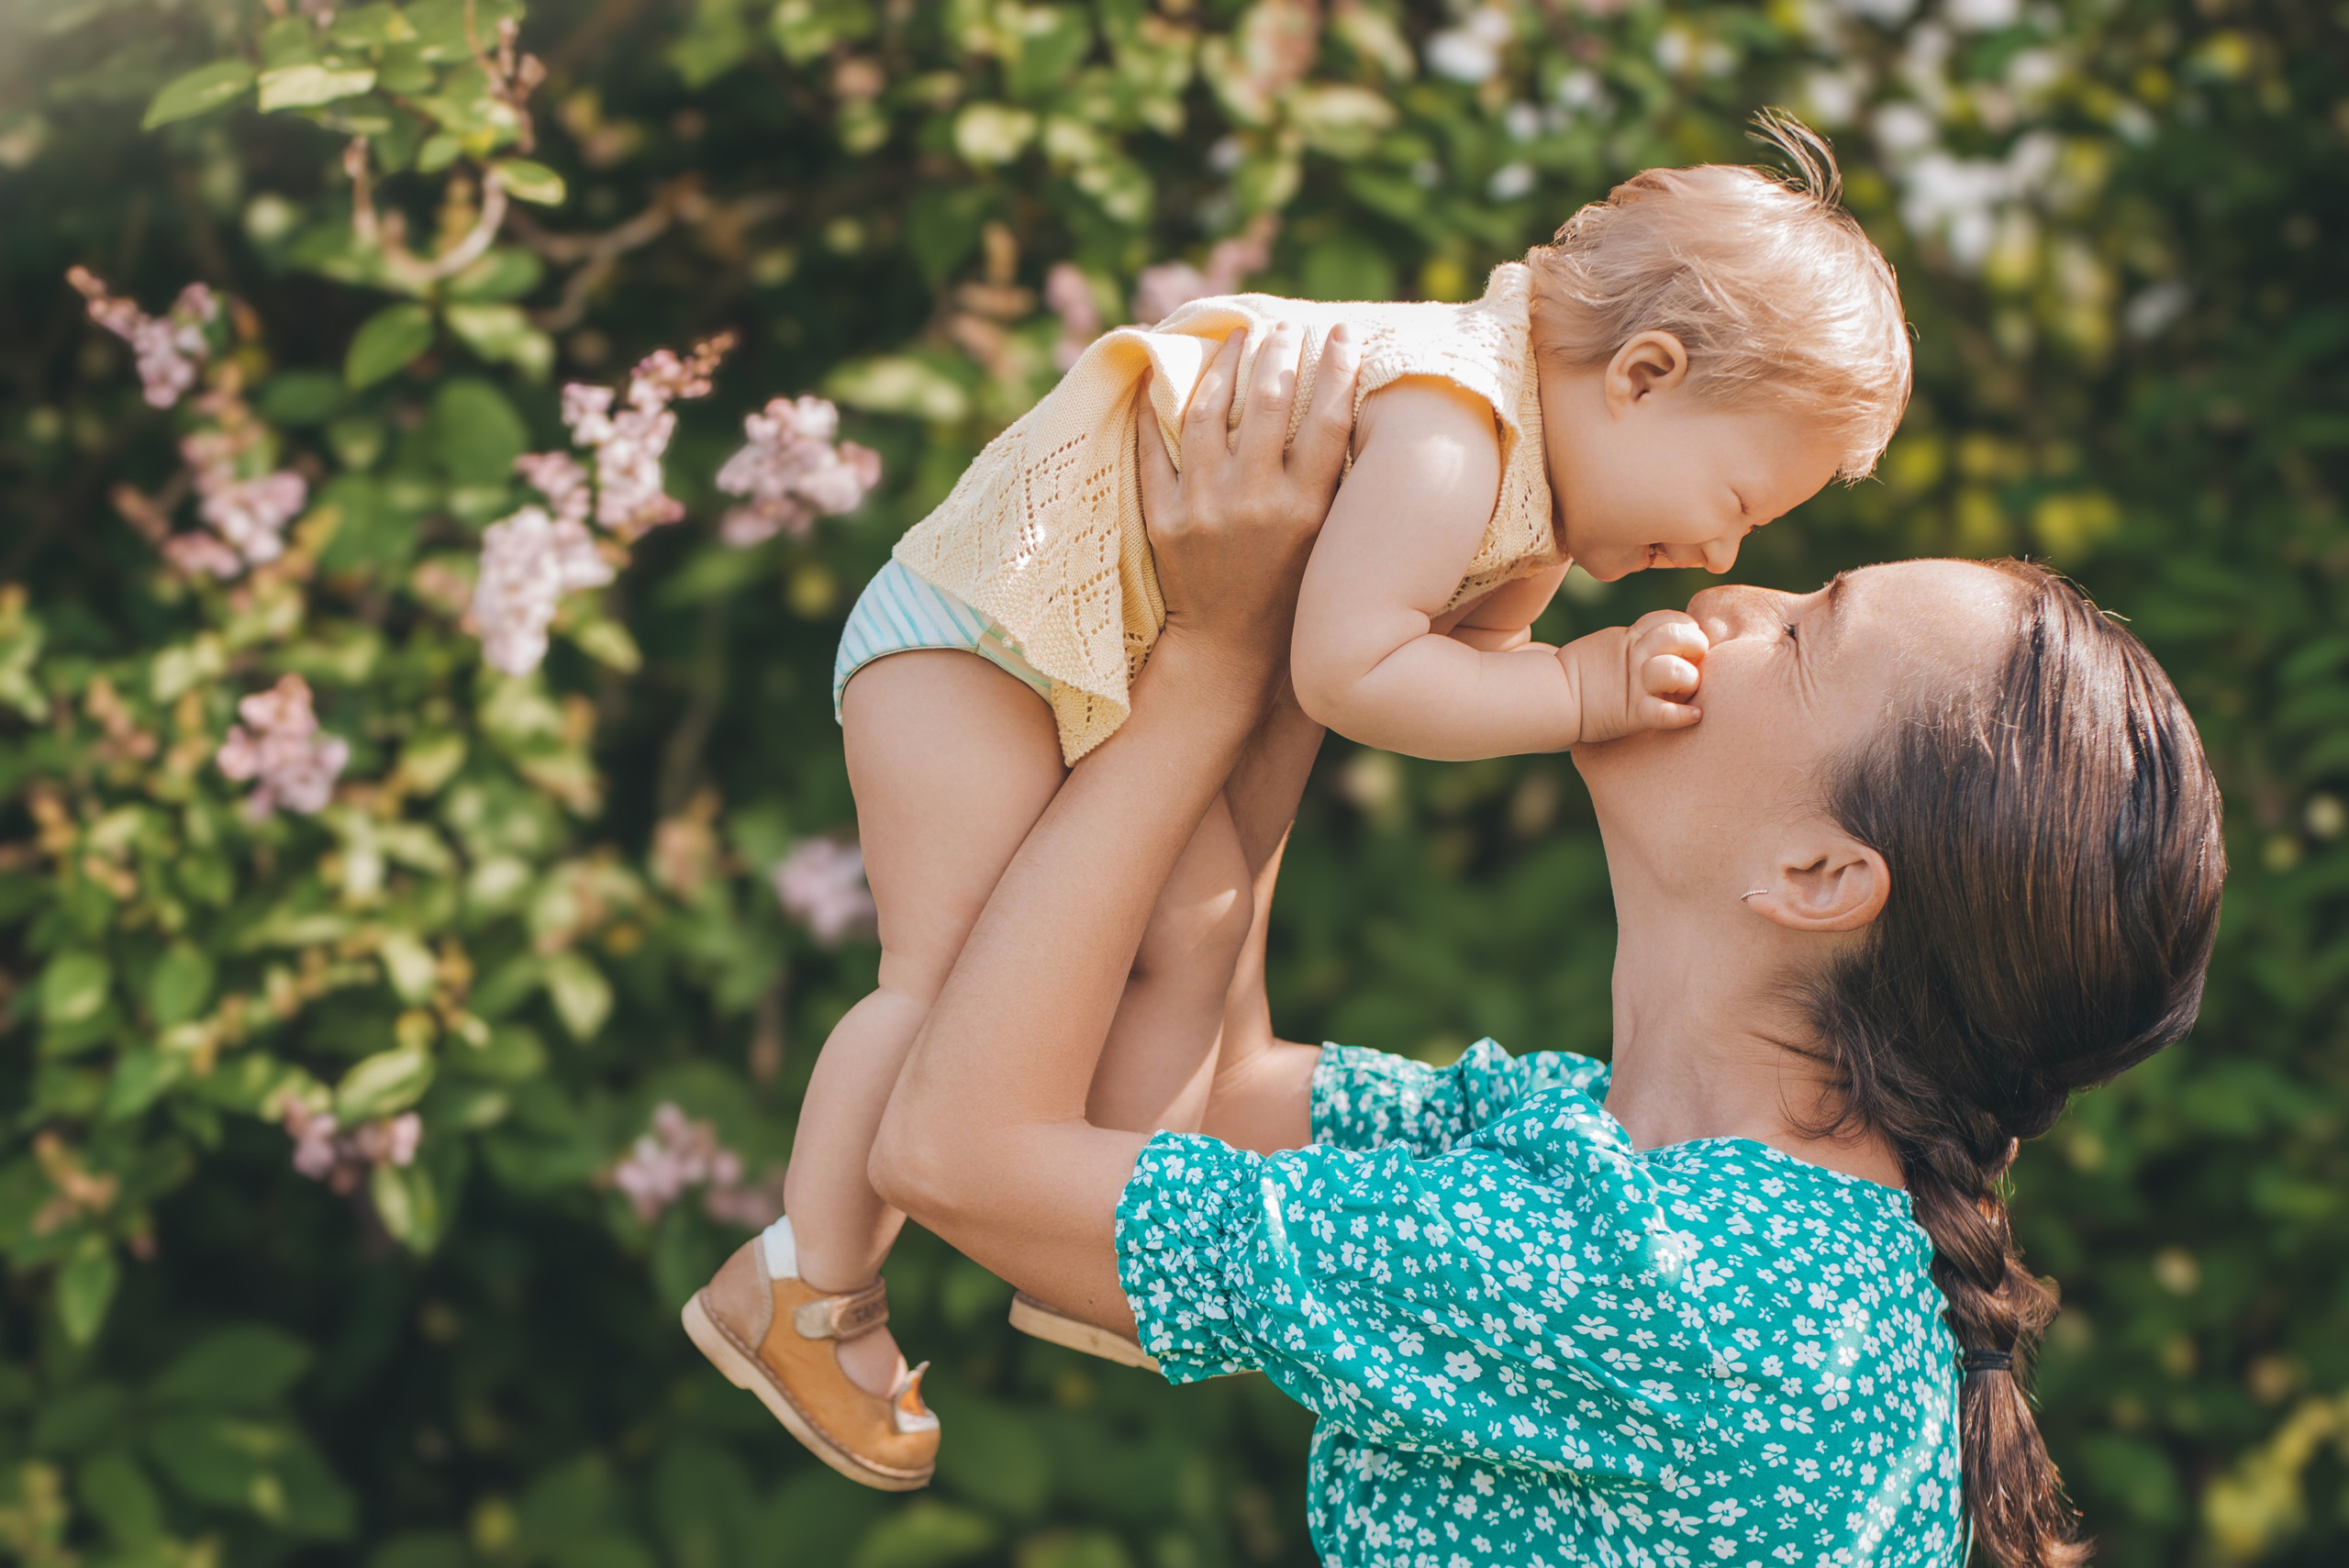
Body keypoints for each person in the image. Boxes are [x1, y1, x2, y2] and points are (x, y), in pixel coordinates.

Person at [829, 350, 2221, 1566]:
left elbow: (957, 1155)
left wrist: (1205, 664)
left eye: (1803, 632)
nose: (1731, 594)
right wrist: (1304, 644)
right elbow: (1202, 1095)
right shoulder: (1592, 1154)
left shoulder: (1684, 1286)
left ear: (1820, 878)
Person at [687, 113, 1918, 1487]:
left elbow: (1414, 667)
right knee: (943, 977)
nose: (1722, 552)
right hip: (983, 633)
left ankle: (1101, 1213)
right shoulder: (1453, 432)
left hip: (1109, 662)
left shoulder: (1529, 497)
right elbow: (1351, 672)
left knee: (1196, 928)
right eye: (1736, 498)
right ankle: (806, 1287)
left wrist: (1530, 655)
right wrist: (1580, 688)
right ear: (1643, 373)